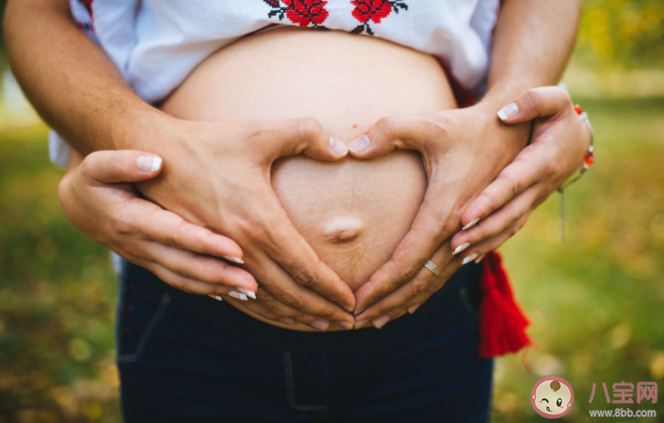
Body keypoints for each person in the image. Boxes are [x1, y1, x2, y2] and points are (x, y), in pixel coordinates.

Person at [5, 0, 590, 421]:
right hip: (196, 308)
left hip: (433, 310)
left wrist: (510, 117)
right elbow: (36, 11)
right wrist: (138, 137)